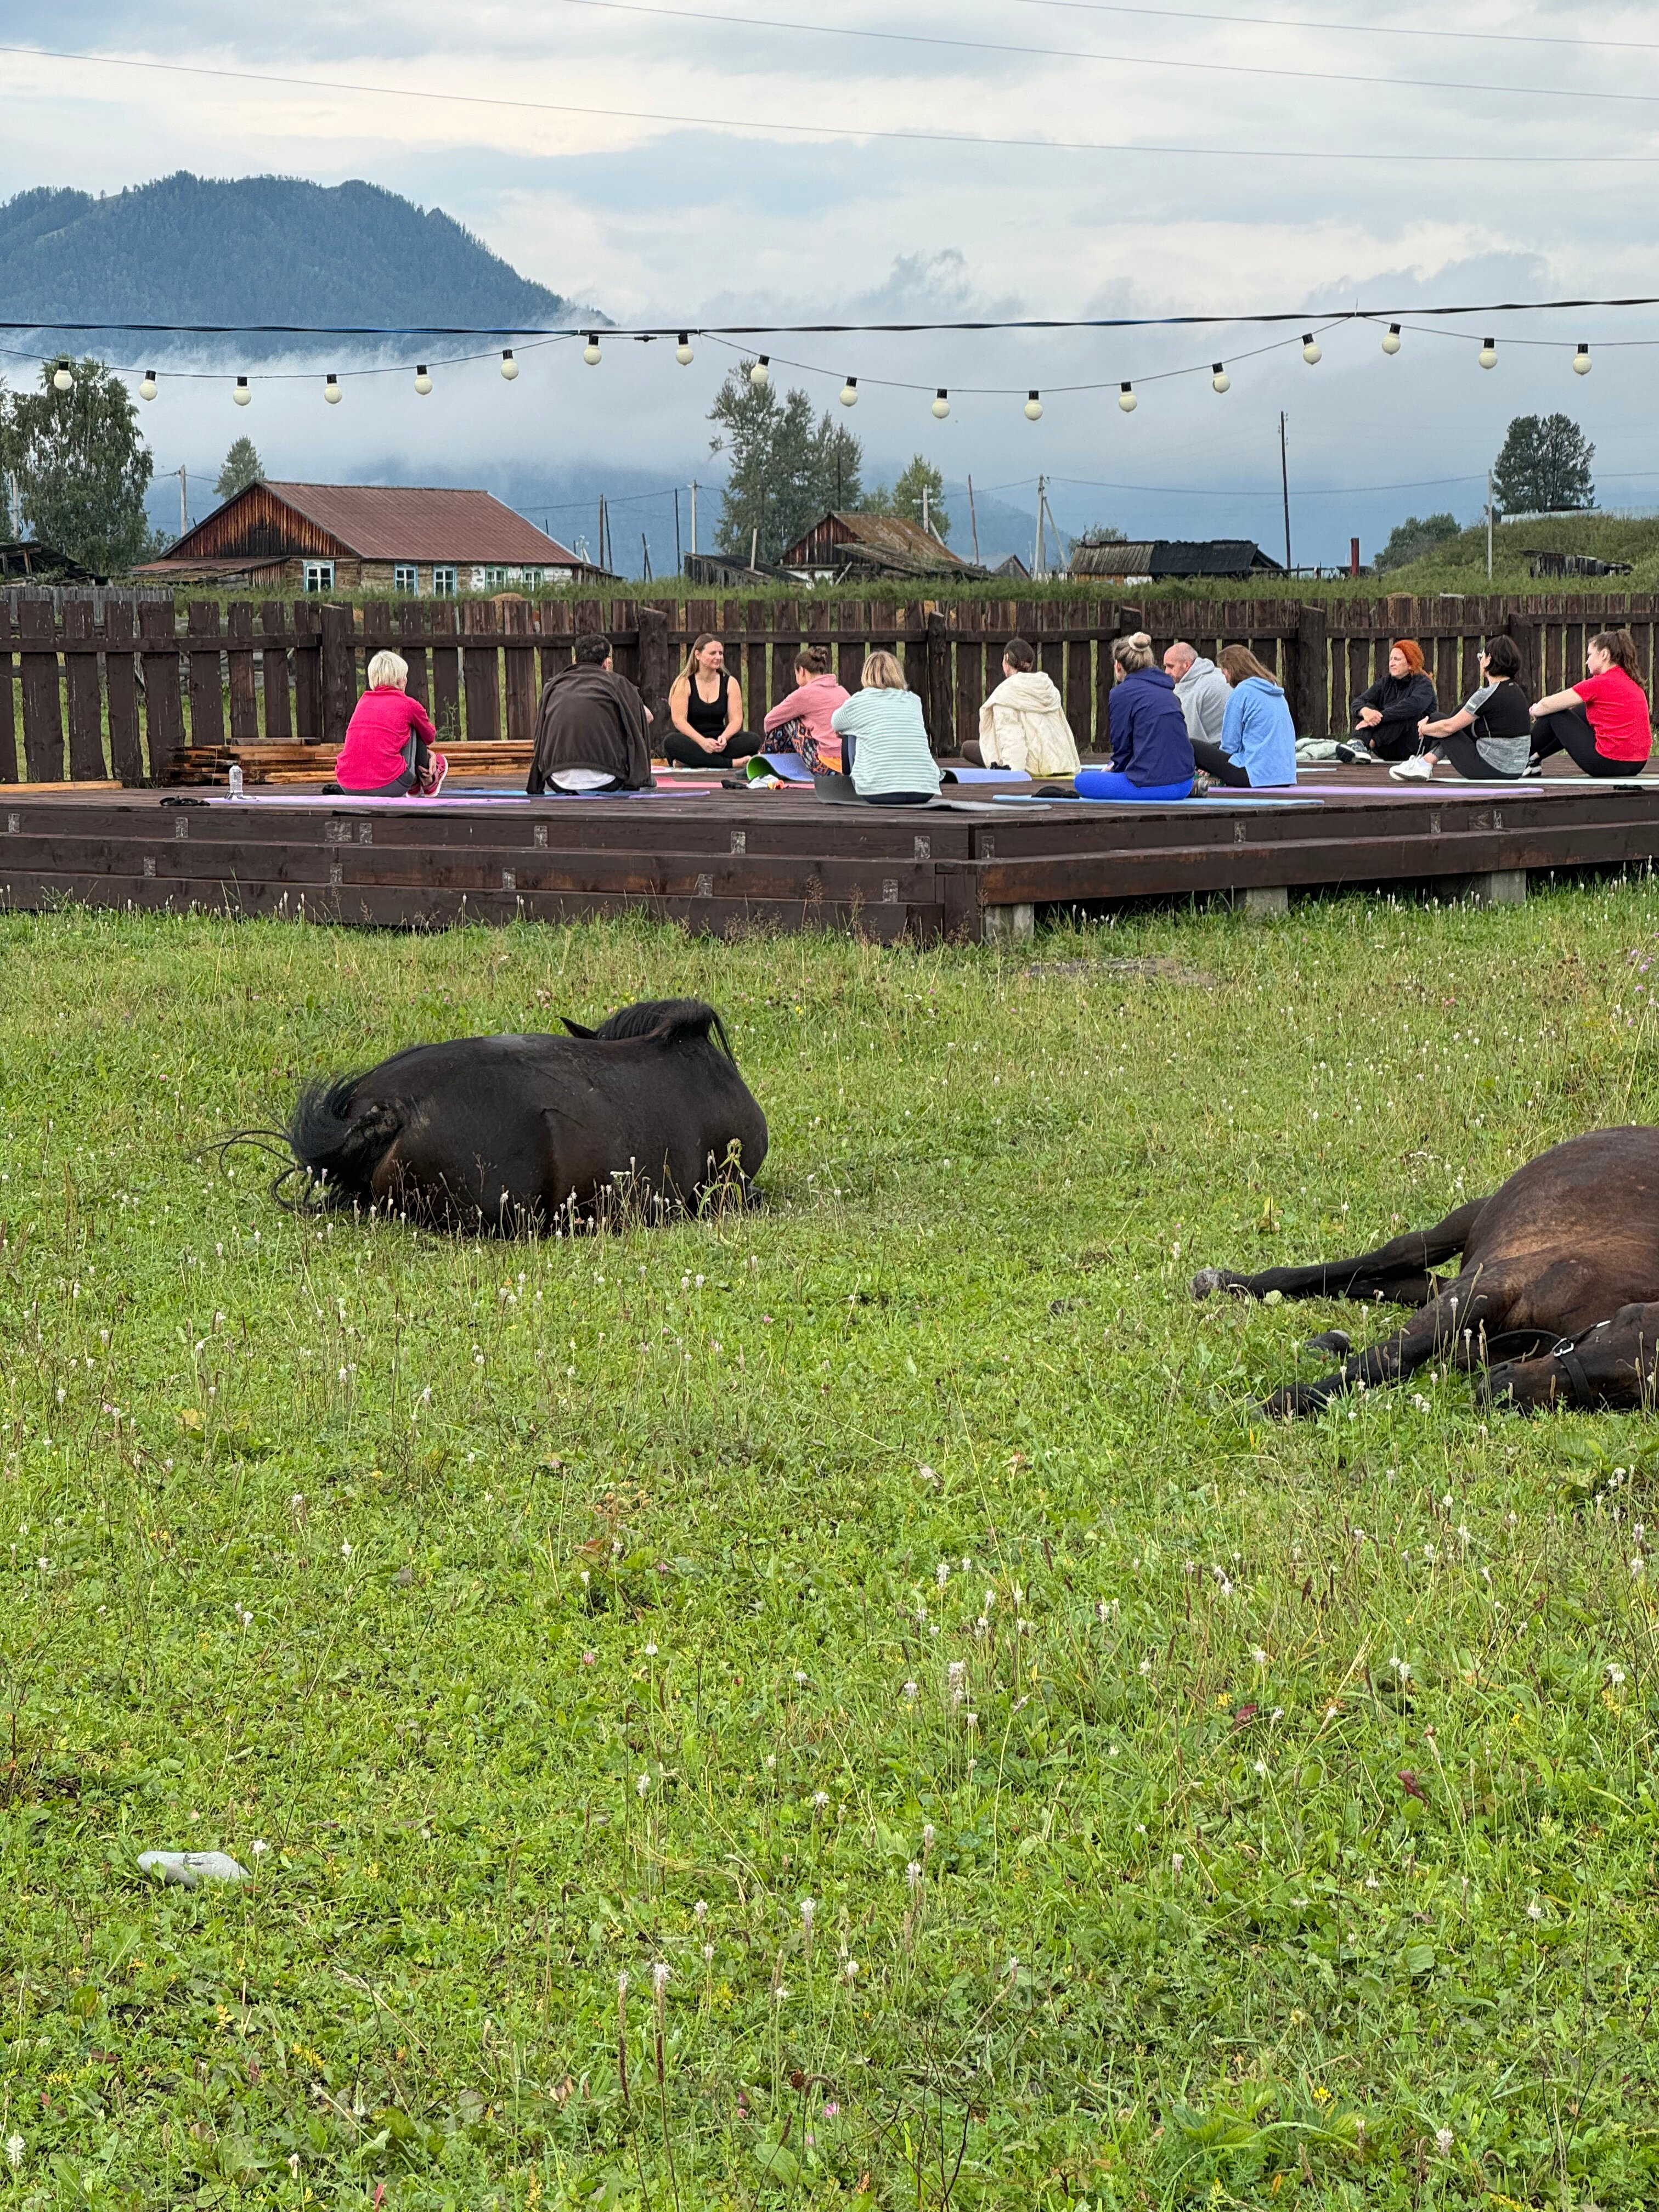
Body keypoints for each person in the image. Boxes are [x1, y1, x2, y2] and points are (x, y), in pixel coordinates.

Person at [1389, 636, 1531, 782]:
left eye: (1481, 656)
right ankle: (1425, 763)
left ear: (1489, 660)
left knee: (1437, 719)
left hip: (1491, 768)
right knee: (1461, 712)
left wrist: (1425, 728)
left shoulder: (1487, 695)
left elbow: (1449, 727)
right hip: (1516, 770)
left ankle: (1423, 764)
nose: (1480, 661)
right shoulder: (1516, 691)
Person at [526, 633, 654, 794]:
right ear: (606, 663)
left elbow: (540, 736)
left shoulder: (553, 686)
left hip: (557, 779)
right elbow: (648, 717)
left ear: (575, 660)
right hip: (608, 779)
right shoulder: (619, 684)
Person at [1073, 633, 1195, 802]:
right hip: (1185, 783)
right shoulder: (1168, 692)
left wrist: (1114, 770)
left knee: (1082, 781)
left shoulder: (1121, 694)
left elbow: (1122, 747)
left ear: (1118, 666)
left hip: (1152, 785)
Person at [1528, 628, 1654, 778]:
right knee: (1582, 710)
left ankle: (1517, 757)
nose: (1587, 662)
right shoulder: (1631, 683)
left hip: (1606, 762)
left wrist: (1534, 710)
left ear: (1604, 655)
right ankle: (1534, 759)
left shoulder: (1600, 683)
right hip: (1637, 764)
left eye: (1590, 655)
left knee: (1555, 713)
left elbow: (1547, 705)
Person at [827, 650, 942, 805]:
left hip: (878, 792)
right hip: (924, 791)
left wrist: (846, 731)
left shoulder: (860, 700)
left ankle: (851, 784)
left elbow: (835, 723)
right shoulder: (914, 700)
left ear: (866, 674)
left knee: (850, 735)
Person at [334, 650, 448, 796]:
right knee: (415, 726)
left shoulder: (363, 702)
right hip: (390, 784)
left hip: (348, 784)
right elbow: (429, 736)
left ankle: (415, 783)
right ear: (400, 681)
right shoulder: (408, 704)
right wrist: (427, 754)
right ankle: (427, 780)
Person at [962, 636, 1080, 775]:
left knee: (967, 748)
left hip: (1030, 766)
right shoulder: (1047, 687)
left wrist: (1013, 770)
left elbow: (1012, 738)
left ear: (1007, 659)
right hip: (1062, 763)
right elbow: (1064, 730)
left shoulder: (1006, 692)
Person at [1186, 645, 1297, 788]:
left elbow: (1230, 745)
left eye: (1224, 672)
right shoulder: (1277, 693)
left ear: (1232, 669)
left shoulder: (1242, 693)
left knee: (1190, 745)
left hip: (1253, 775)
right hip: (1285, 776)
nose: (1226, 680)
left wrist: (1211, 767)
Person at [665, 634, 760, 768]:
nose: (718, 657)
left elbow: (737, 720)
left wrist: (724, 738)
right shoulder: (684, 683)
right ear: (698, 655)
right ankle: (732, 763)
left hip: (719, 740)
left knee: (753, 740)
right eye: (713, 653)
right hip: (693, 741)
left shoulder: (730, 682)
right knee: (671, 742)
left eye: (720, 653)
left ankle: (690, 761)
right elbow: (679, 721)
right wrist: (703, 742)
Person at [762, 643, 850, 773]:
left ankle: (763, 761)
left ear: (801, 671)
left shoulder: (804, 694)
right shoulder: (842, 691)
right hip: (848, 763)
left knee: (788, 720)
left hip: (826, 765)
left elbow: (769, 721)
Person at [1350, 640, 1437, 761]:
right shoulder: (1386, 682)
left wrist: (1380, 717)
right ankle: (1358, 744)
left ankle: (1366, 746)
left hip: (1414, 746)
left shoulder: (1423, 683)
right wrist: (1365, 711)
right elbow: (1358, 702)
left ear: (1411, 663)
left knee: (1406, 713)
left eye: (1397, 659)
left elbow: (1414, 706)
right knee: (1369, 708)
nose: (1392, 664)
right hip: (1386, 747)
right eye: (1391, 659)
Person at [1163, 639, 1229, 751]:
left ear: (1187, 665)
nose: (1166, 672)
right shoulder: (1218, 673)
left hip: (1218, 748)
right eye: (1165, 666)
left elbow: (1188, 737)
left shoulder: (1191, 694)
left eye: (1171, 666)